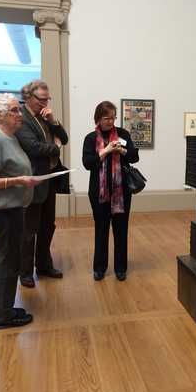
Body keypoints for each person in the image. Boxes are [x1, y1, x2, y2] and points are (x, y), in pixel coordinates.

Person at [0, 93, 41, 329]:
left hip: (11, 208)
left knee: (3, 258)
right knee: (10, 261)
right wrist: (18, 181)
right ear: (1, 115)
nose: (19, 114)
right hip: (4, 211)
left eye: (19, 109)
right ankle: (4, 316)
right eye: (14, 110)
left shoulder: (9, 137)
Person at [15, 80, 68, 288]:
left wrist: (54, 121)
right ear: (29, 97)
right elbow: (33, 147)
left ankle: (44, 265)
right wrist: (54, 147)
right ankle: (25, 272)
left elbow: (64, 138)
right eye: (42, 99)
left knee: (48, 226)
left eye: (48, 99)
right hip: (33, 181)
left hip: (50, 180)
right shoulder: (21, 118)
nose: (46, 103)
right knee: (29, 230)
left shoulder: (46, 116)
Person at [82, 101, 139, 281]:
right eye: (107, 118)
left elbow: (134, 157)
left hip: (121, 192)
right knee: (101, 229)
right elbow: (87, 163)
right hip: (99, 193)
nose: (111, 121)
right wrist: (105, 150)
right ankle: (100, 268)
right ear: (98, 118)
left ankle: (120, 268)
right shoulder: (91, 138)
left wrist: (121, 150)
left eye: (113, 117)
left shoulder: (123, 134)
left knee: (121, 230)